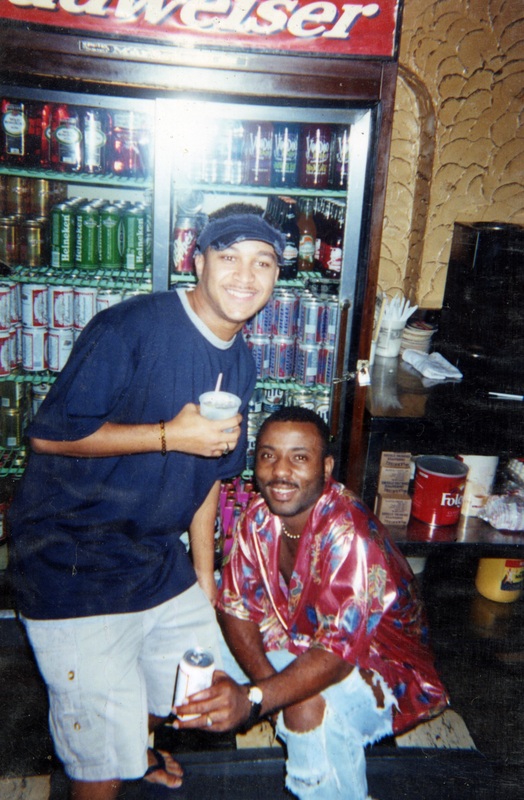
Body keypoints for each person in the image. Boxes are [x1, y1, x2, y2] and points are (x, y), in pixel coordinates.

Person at [8, 213, 284, 800]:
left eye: (262, 263)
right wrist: (169, 435)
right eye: (229, 257)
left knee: (192, 693)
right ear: (197, 261)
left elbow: (210, 477)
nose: (246, 275)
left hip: (153, 557)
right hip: (70, 560)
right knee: (98, 760)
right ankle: (110, 761)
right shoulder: (131, 327)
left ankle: (133, 747)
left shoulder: (242, 360)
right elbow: (48, 437)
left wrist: (204, 576)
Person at [173, 407, 449, 800]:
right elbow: (236, 608)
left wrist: (255, 700)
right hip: (296, 635)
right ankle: (135, 756)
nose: (280, 471)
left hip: (378, 662)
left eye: (299, 457)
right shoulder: (258, 517)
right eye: (268, 456)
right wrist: (269, 691)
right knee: (189, 651)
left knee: (306, 709)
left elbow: (336, 656)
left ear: (326, 467)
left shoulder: (350, 534)